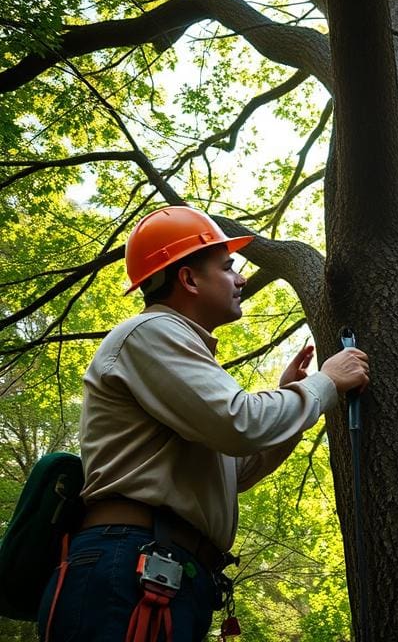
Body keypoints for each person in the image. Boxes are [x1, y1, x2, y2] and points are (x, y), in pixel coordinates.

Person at [37, 205, 370, 642]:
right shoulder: (152, 332)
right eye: (228, 266)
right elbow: (241, 423)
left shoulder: (174, 354)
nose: (241, 279)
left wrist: (298, 402)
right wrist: (326, 383)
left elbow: (241, 468)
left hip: (160, 569)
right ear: (189, 279)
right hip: (131, 567)